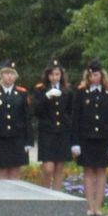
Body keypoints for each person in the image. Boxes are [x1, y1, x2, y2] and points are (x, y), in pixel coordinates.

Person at [70, 59, 108, 216]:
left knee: (101, 172)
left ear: (101, 75)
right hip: (86, 138)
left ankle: (98, 207)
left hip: (104, 139)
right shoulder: (81, 93)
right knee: (88, 172)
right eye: (91, 75)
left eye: (96, 74)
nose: (94, 77)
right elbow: (75, 119)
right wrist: (75, 142)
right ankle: (89, 207)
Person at [0, 60, 32, 180]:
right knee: (3, 170)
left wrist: (29, 140)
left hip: (18, 137)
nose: (9, 76)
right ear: (1, 75)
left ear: (16, 76)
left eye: (12, 74)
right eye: (6, 73)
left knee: (16, 170)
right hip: (1, 137)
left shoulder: (22, 93)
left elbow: (27, 117)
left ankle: (15, 197)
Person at [33, 59, 73, 191]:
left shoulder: (67, 90)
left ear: (61, 75)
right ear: (47, 76)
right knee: (48, 168)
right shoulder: (40, 90)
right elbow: (36, 111)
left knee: (59, 168)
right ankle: (44, 194)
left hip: (62, 132)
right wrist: (47, 96)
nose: (54, 77)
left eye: (57, 74)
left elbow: (70, 112)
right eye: (51, 74)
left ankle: (57, 195)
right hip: (47, 133)